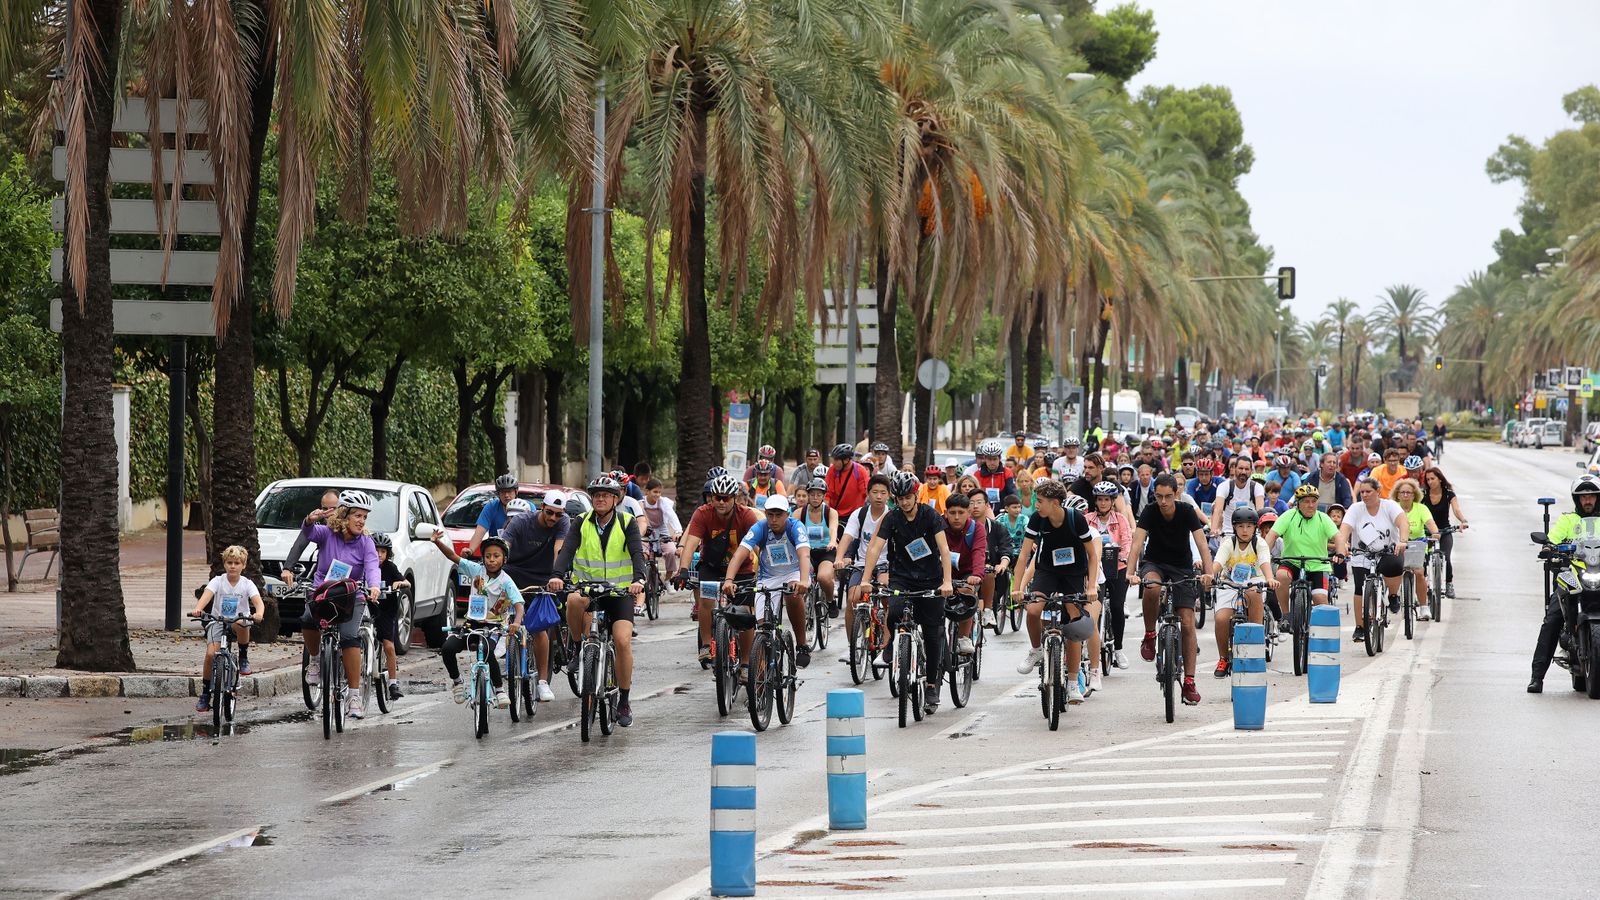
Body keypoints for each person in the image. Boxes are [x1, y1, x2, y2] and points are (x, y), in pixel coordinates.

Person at [549, 476, 648, 727]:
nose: (600, 499)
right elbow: (567, 551)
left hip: (619, 593)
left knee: (623, 640)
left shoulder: (627, 522)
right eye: (596, 495)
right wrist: (557, 575)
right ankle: (576, 647)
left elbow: (637, 552)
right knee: (572, 601)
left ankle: (624, 700)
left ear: (616, 499)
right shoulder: (580, 522)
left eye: (606, 495)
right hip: (589, 590)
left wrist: (639, 578)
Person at [861, 471, 955, 716]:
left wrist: (947, 581)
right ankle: (892, 643)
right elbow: (875, 548)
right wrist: (865, 579)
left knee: (933, 633)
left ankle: (932, 685)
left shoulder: (931, 516)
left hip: (931, 578)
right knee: (893, 611)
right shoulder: (892, 518)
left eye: (908, 497)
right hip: (902, 576)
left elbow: (944, 549)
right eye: (900, 498)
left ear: (916, 495)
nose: (904, 502)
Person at [1126, 473, 1214, 705]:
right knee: (1152, 587)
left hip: (1182, 567)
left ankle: (1190, 682)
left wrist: (1209, 572)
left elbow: (1201, 543)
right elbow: (1137, 543)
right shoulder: (1150, 511)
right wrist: (1130, 572)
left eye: (1168, 496)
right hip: (1155, 563)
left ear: (1176, 494)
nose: (1163, 502)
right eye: (1159, 496)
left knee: (1187, 622)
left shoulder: (1186, 511)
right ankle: (1149, 635)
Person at [1011, 480, 1101, 704]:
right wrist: (1017, 588)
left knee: (1074, 623)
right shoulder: (1037, 519)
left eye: (1039, 501)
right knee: (1033, 611)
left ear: (1055, 503)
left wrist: (1090, 586)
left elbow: (1092, 555)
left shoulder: (1075, 519)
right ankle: (1036, 650)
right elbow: (1024, 556)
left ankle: (1072, 683)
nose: (1036, 505)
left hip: (1073, 573)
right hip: (1048, 571)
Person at [298, 490, 382, 718]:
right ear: (344, 515)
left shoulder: (366, 542)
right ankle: (315, 660)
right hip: (323, 593)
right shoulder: (327, 534)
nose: (361, 521)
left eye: (364, 517)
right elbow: (308, 532)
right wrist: (309, 520)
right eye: (357, 515)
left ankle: (354, 696)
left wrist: (374, 586)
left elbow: (373, 566)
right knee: (307, 618)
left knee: (348, 638)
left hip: (351, 596)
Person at [430, 531, 524, 710]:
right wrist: (437, 542)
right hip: (471, 624)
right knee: (447, 648)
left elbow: (519, 604)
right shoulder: (476, 570)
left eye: (496, 556)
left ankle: (499, 690)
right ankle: (457, 682)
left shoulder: (507, 581)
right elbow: (453, 556)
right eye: (487, 556)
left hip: (494, 626)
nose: (491, 560)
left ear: (504, 559)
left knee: (487, 650)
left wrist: (516, 622)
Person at [722, 493, 814, 666]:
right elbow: (739, 554)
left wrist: (802, 581)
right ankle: (764, 666)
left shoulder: (796, 527)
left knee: (792, 594)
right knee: (763, 626)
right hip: (768, 577)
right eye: (770, 514)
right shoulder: (760, 527)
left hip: (794, 573)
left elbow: (804, 554)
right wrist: (728, 580)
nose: (774, 519)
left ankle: (801, 644)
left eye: (778, 515)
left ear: (787, 514)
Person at [1529, 475, 1600, 691]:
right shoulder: (1568, 520)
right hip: (1572, 573)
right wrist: (1549, 547)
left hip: (1597, 571)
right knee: (1553, 619)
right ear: (1577, 500)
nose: (1587, 501)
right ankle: (1537, 676)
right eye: (1583, 497)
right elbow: (1554, 538)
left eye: (1591, 496)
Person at [680, 474, 760, 664]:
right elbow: (691, 544)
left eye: (726, 498)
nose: (721, 502)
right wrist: (683, 569)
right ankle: (707, 645)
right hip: (712, 567)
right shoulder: (703, 513)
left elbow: (758, 545)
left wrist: (767, 568)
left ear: (735, 498)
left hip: (741, 570)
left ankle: (747, 662)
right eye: (717, 498)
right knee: (706, 600)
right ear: (711, 498)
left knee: (744, 613)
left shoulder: (746, 515)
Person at [502, 491, 570, 701]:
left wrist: (556, 576)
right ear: (542, 508)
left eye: (558, 515)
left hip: (543, 578)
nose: (553, 518)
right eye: (549, 513)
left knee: (540, 628)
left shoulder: (563, 523)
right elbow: (504, 547)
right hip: (514, 573)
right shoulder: (521, 521)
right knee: (499, 616)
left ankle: (542, 682)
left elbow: (559, 550)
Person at [190, 545, 265, 713]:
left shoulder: (247, 584)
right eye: (229, 562)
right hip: (218, 621)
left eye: (237, 563)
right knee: (210, 654)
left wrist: (258, 613)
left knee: (242, 622)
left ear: (243, 565)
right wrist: (198, 609)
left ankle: (243, 656)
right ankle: (205, 694)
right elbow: (206, 596)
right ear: (224, 564)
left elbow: (258, 602)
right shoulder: (218, 581)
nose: (233, 566)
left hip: (238, 622)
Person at [1264, 484, 1345, 638]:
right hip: (1292, 562)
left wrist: (1340, 553)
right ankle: (1286, 616)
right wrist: (1265, 554)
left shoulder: (1323, 518)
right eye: (1306, 501)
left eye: (1313, 501)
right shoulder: (1289, 516)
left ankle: (1325, 637)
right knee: (1281, 576)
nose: (1310, 505)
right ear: (1298, 503)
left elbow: (1338, 537)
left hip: (1318, 564)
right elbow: (1272, 535)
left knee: (1321, 600)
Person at [1338, 477, 1409, 643]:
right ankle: (1360, 627)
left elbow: (1402, 523)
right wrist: (1343, 545)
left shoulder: (1389, 506)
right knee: (1359, 588)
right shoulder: (1356, 509)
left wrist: (1403, 540)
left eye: (1368, 491)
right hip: (1362, 553)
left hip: (1387, 551)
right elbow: (1345, 528)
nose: (1364, 495)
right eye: (1362, 492)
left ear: (1378, 492)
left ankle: (1392, 595)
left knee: (1395, 565)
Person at [1209, 508, 1274, 678]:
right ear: (1234, 528)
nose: (1245, 531)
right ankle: (1223, 658)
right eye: (1240, 526)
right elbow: (1218, 563)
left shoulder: (1259, 543)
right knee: (1222, 619)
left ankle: (1256, 647)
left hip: (1254, 582)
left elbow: (1265, 562)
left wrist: (1270, 578)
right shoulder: (1228, 543)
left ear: (1255, 528)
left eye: (1249, 526)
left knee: (1254, 594)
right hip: (1229, 583)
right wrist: (1210, 575)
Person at [837, 474, 894, 657]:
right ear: (868, 494)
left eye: (883, 493)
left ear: (889, 495)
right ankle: (852, 646)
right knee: (852, 599)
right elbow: (847, 537)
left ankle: (887, 644)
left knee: (887, 597)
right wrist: (839, 557)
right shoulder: (859, 514)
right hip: (862, 564)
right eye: (875, 492)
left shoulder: (892, 516)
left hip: (885, 564)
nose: (878, 496)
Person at [1085, 481, 1132, 669]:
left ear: (1112, 501)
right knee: (1092, 606)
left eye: (1106, 499)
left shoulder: (1120, 519)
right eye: (1100, 499)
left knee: (1117, 605)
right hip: (1095, 569)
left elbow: (1127, 541)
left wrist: (1125, 557)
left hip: (1117, 567)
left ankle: (1118, 649)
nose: (1103, 503)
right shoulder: (1087, 519)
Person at [942, 492, 988, 656]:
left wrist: (976, 574)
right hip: (942, 572)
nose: (956, 517)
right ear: (945, 512)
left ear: (968, 512)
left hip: (967, 573)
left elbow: (979, 552)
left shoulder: (977, 529)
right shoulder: (938, 526)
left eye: (961, 513)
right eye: (952, 512)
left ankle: (964, 637)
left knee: (967, 594)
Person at [370, 533, 413, 702]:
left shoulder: (390, 568)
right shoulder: (365, 565)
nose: (379, 555)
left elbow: (407, 583)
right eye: (375, 551)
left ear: (388, 553)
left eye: (383, 551)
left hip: (386, 611)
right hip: (367, 607)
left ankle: (393, 684)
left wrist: (399, 583)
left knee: (388, 645)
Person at [1390, 478, 1439, 620]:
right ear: (1397, 494)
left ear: (1414, 495)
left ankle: (1424, 606)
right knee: (1393, 570)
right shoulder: (1393, 507)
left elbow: (1430, 523)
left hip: (1417, 544)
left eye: (1409, 493)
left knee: (1419, 572)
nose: (1405, 495)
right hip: (1397, 544)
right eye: (1402, 492)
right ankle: (1392, 596)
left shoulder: (1421, 508)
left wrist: (1435, 532)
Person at [1421, 467, 1468, 598]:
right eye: (1428, 479)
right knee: (1423, 560)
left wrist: (1463, 521)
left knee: (1446, 558)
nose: (1430, 482)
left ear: (1440, 479)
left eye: (1433, 479)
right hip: (1427, 533)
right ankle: (1422, 586)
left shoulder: (1449, 494)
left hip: (1445, 531)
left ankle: (1448, 584)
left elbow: (1456, 510)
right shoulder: (1423, 494)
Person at [969, 490, 1011, 632]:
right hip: (968, 572)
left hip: (992, 572)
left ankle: (988, 610)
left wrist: (1002, 564)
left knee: (991, 573)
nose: (975, 506)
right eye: (971, 503)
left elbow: (1006, 549)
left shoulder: (998, 528)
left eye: (979, 502)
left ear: (987, 505)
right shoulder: (962, 526)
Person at [798, 479, 840, 614]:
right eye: (812, 494)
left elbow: (833, 529)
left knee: (823, 577)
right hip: (806, 553)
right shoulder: (799, 513)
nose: (815, 498)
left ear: (823, 496)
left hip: (825, 551)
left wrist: (832, 541)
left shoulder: (830, 512)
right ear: (808, 495)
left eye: (819, 495)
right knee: (803, 580)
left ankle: (830, 600)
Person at [281, 489, 338, 588]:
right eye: (325, 509)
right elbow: (300, 543)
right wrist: (287, 568)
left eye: (333, 508)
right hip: (322, 576)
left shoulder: (351, 523)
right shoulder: (318, 524)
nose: (328, 513)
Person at [639, 478, 684, 580]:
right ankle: (642, 578)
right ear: (647, 491)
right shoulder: (641, 503)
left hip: (661, 530)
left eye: (659, 492)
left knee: (671, 551)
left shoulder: (663, 502)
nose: (658, 495)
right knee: (642, 552)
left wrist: (678, 531)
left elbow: (672, 516)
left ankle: (667, 579)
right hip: (646, 531)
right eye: (655, 492)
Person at [1210, 454, 1265, 535]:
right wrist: (1214, 529)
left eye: (1247, 469)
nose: (1243, 472)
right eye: (1240, 468)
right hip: (1228, 533)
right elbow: (1218, 510)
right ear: (1234, 469)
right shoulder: (1224, 486)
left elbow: (1260, 511)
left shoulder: (1257, 487)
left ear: (1251, 471)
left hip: (1250, 534)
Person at [470, 474, 521, 554]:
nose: (506, 495)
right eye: (503, 492)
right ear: (498, 493)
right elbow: (480, 532)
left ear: (516, 491)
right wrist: (470, 550)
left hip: (521, 554)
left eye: (509, 491)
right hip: (497, 554)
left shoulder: (528, 507)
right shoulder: (491, 507)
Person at [826, 443, 872, 522]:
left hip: (854, 515)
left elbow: (866, 494)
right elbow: (827, 494)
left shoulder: (860, 471)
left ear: (846, 460)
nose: (833, 463)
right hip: (834, 514)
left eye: (836, 460)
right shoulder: (832, 470)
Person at [966, 440, 1016, 506]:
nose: (992, 462)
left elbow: (1012, 494)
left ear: (999, 458)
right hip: (984, 511)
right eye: (989, 459)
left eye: (995, 459)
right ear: (985, 459)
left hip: (1002, 511)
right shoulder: (977, 474)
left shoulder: (1007, 473)